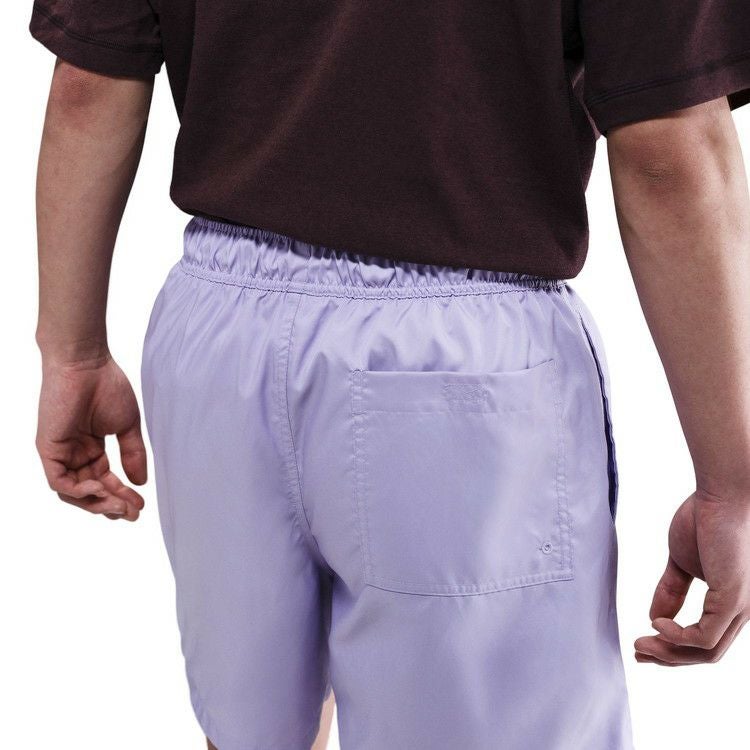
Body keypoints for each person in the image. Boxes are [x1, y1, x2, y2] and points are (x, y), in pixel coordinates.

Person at [29, 1, 750, 748]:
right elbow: (669, 154)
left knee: (249, 733)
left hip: (217, 333)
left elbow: (88, 82)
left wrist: (72, 351)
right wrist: (732, 484)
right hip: (460, 367)